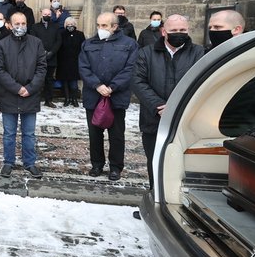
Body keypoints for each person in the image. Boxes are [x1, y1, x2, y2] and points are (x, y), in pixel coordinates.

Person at [132, 14, 205, 187]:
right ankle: (154, 198)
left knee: (180, 164)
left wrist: (177, 108)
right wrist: (159, 105)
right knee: (155, 161)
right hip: (154, 120)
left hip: (185, 120)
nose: (179, 33)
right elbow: (137, 81)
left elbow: (201, 84)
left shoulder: (198, 53)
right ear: (164, 31)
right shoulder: (146, 53)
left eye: (183, 30)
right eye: (174, 30)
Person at [79, 11, 139, 181]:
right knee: (94, 133)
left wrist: (112, 87)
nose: (100, 29)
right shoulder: (88, 43)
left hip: (116, 97)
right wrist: (97, 85)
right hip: (94, 95)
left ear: (114, 27)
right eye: (98, 25)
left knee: (117, 135)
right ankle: (97, 164)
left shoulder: (129, 44)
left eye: (104, 25)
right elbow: (83, 67)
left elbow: (130, 68)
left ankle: (115, 167)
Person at [0, 11, 47, 178]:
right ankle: (8, 162)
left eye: (23, 23)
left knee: (29, 133)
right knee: (9, 133)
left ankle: (30, 163)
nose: (20, 26)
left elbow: (41, 67)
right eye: (17, 23)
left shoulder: (36, 43)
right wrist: (17, 88)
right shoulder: (1, 45)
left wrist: (30, 88)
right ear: (9, 25)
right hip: (10, 95)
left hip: (30, 95)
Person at [207, 10, 255, 136]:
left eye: (218, 27)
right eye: (210, 27)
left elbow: (236, 104)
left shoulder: (251, 59)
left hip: (236, 130)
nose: (212, 31)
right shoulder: (215, 53)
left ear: (237, 29)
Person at [30, 7, 62, 107]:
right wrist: (42, 52)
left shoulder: (56, 26)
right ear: (41, 14)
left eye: (49, 14)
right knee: (38, 79)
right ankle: (36, 99)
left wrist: (52, 52)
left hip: (52, 57)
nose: (47, 16)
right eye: (45, 14)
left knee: (49, 80)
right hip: (38, 58)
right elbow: (33, 41)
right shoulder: (35, 27)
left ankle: (48, 100)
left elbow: (58, 41)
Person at [57, 18, 85, 106]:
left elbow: (83, 47)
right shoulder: (61, 33)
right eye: (68, 24)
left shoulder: (80, 34)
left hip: (75, 61)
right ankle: (67, 98)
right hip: (63, 61)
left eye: (72, 24)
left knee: (74, 81)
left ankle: (74, 99)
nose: (70, 25)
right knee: (65, 81)